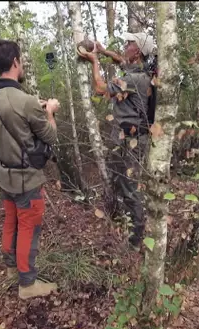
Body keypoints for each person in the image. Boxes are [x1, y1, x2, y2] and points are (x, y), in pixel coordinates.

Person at [0, 40, 60, 299]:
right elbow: (49, 136)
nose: (22, 63)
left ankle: (10, 269)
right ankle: (27, 284)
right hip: (26, 179)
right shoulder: (25, 102)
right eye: (21, 59)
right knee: (28, 227)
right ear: (15, 62)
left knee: (10, 221)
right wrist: (49, 111)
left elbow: (4, 123)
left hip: (3, 175)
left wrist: (34, 105)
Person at [77, 32, 157, 251]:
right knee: (121, 183)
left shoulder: (133, 79)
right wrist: (103, 52)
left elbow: (101, 89)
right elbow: (121, 60)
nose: (125, 45)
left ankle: (135, 241)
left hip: (129, 141)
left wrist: (94, 62)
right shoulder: (138, 70)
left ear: (138, 51)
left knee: (130, 188)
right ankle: (129, 225)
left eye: (130, 43)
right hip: (125, 138)